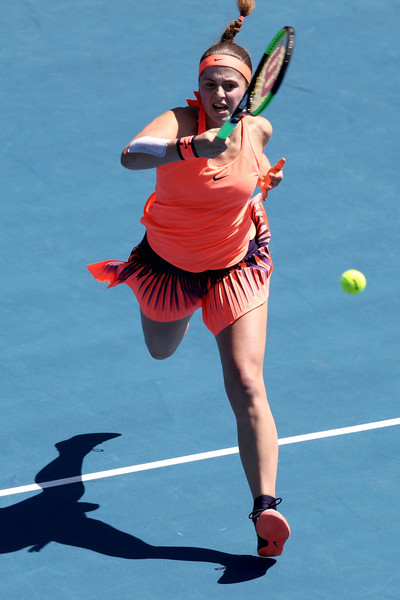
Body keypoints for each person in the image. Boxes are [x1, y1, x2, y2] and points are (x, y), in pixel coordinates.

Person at [87, 0, 290, 557]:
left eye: (230, 87)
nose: (220, 95)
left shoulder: (258, 130)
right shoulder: (177, 123)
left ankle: (266, 508)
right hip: (168, 269)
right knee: (160, 350)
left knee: (247, 384)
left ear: (247, 91)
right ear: (197, 88)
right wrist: (192, 147)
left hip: (236, 268)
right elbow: (132, 155)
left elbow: (248, 178)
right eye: (211, 86)